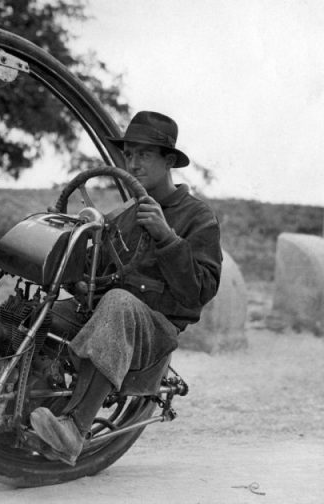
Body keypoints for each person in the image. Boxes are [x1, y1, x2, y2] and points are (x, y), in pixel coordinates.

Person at [29, 111, 223, 465]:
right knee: (34, 315)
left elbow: (199, 293)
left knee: (119, 302)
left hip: (155, 329)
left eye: (144, 155)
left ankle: (74, 428)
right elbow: (96, 275)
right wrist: (77, 272)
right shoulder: (123, 216)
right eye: (129, 154)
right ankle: (0, 435)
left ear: (168, 162)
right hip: (107, 314)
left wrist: (167, 238)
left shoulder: (198, 217)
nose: (133, 163)